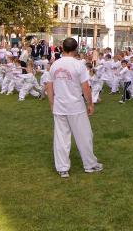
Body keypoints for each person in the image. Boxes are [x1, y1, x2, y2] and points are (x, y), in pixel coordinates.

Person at [46, 38, 102, 178]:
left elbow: (49, 86)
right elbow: (86, 87)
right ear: (76, 49)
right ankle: (89, 164)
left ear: (62, 48)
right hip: (75, 106)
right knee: (85, 136)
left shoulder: (54, 65)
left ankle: (63, 168)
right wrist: (90, 104)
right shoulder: (79, 65)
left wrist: (52, 104)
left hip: (60, 106)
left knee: (61, 137)